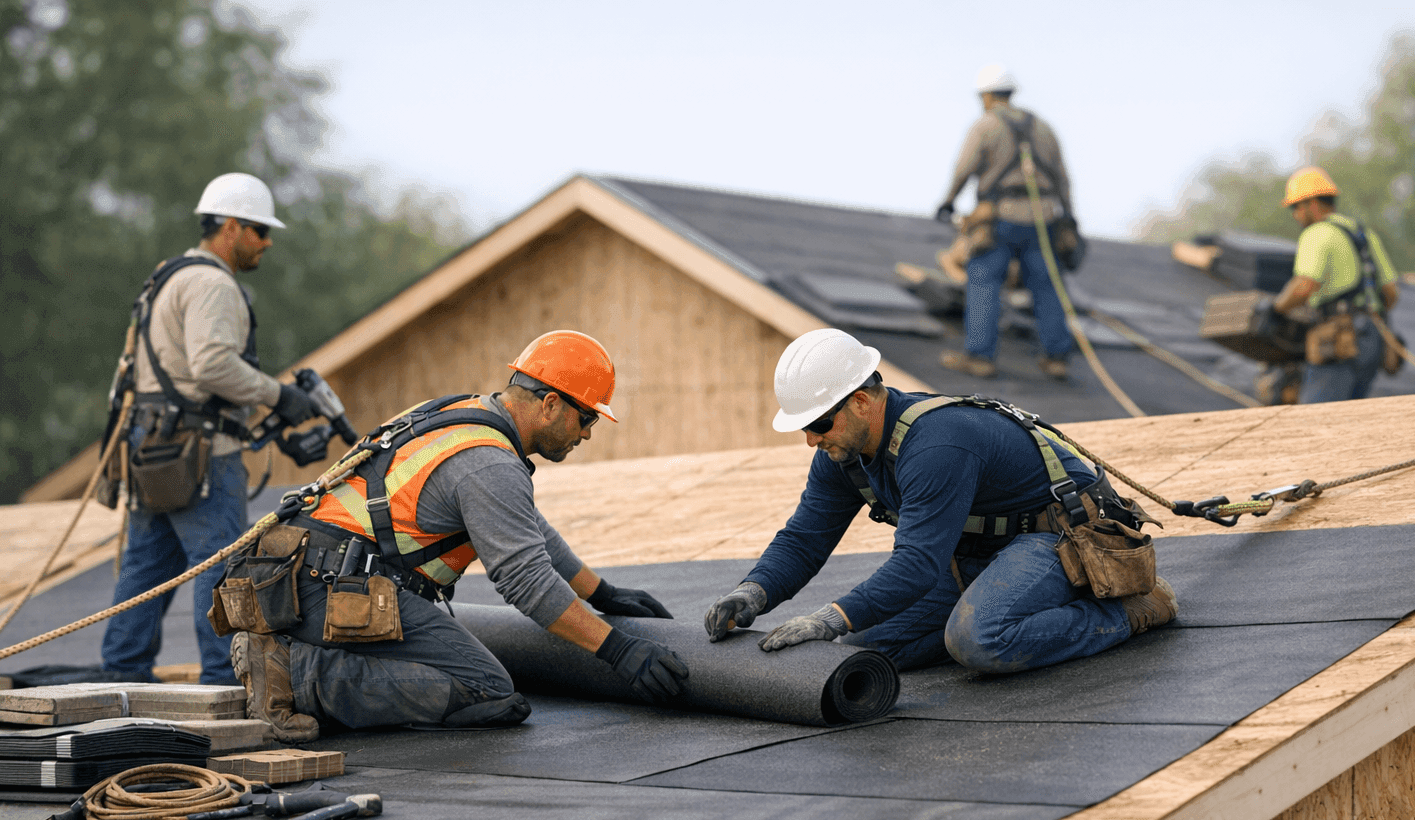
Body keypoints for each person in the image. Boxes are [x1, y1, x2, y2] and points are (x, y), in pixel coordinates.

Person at [230, 331, 689, 741]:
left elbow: (523, 526)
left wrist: (603, 592)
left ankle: (296, 656)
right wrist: (618, 649)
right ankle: (295, 673)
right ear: (549, 404)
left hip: (307, 575)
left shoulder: (464, 413)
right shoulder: (490, 463)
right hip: (328, 588)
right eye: (586, 419)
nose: (586, 435)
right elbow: (525, 582)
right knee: (487, 691)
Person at [702, 329, 1177, 672]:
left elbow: (916, 566)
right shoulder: (842, 454)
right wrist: (753, 592)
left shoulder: (937, 444)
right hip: (981, 552)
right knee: (864, 646)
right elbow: (805, 538)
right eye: (804, 428)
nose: (810, 440)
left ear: (862, 403)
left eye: (819, 424)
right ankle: (993, 607)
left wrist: (827, 618)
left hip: (1060, 539)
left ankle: (1128, 612)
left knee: (978, 640)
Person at [101, 172, 320, 686]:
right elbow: (212, 365)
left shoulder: (169, 275)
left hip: (154, 443)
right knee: (219, 562)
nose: (267, 242)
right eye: (258, 230)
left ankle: (120, 675)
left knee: (147, 563)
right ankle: (224, 683)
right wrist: (279, 395)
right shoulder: (213, 283)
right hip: (199, 450)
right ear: (229, 226)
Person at [935, 64, 1077, 382]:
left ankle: (980, 358)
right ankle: (1057, 360)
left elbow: (963, 168)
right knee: (1046, 286)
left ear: (986, 96)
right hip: (1044, 220)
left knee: (984, 281)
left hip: (1000, 219)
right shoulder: (1044, 127)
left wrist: (948, 201)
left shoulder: (985, 125)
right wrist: (1067, 217)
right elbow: (1063, 179)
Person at [1269, 166, 1401, 403]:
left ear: (1312, 204)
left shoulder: (1316, 233)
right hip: (1374, 339)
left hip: (1339, 339)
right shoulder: (1363, 233)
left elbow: (1304, 286)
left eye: (1295, 207)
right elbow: (1391, 292)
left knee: (1316, 421)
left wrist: (1276, 308)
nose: (1295, 215)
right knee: (1349, 418)